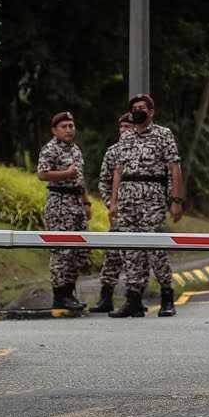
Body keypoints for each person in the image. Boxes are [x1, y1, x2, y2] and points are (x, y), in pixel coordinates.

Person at [109, 93, 183, 318]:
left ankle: (167, 296)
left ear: (151, 112)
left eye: (142, 107)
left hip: (152, 199)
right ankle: (133, 299)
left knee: (155, 249)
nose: (138, 111)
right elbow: (118, 171)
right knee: (130, 251)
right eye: (134, 108)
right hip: (128, 200)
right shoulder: (126, 139)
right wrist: (114, 202)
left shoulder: (163, 135)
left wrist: (177, 200)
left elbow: (174, 168)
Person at [36, 111, 91, 311]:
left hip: (76, 202)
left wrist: (86, 203)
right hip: (59, 202)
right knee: (62, 251)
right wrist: (65, 174)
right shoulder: (50, 149)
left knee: (81, 250)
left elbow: (80, 178)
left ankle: (69, 291)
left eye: (71, 126)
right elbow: (42, 174)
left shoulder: (75, 150)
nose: (69, 130)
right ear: (55, 130)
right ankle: (60, 295)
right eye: (64, 127)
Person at [91, 112, 135, 314]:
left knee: (138, 255)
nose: (125, 131)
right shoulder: (113, 152)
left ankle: (135, 297)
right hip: (118, 211)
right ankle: (105, 297)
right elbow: (104, 181)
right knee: (113, 255)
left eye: (129, 127)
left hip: (139, 211)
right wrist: (111, 204)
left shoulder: (141, 150)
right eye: (122, 127)